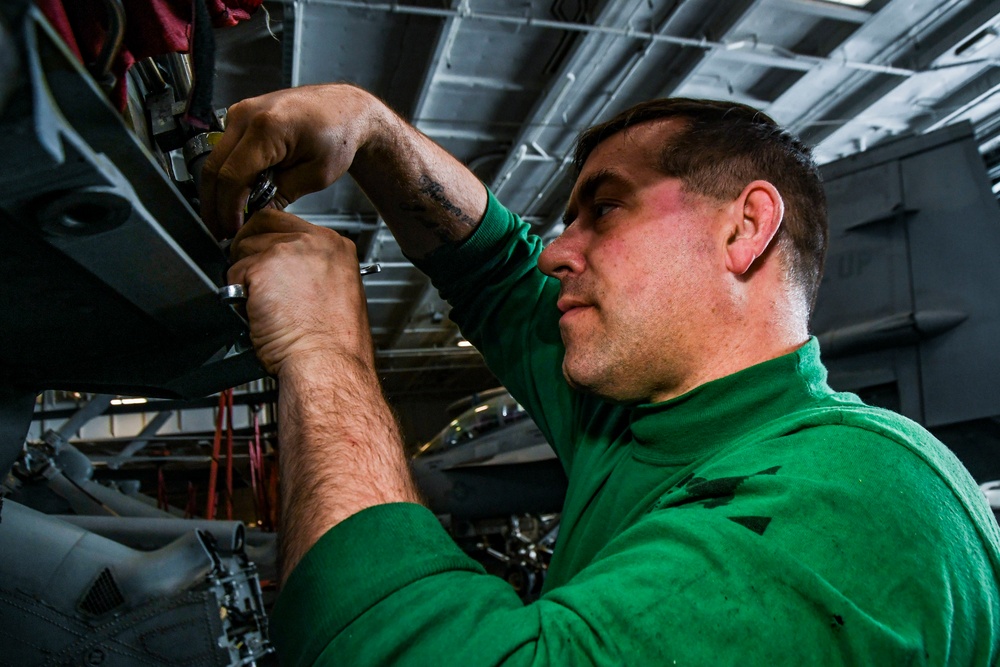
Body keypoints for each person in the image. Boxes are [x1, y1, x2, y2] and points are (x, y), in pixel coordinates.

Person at [201, 84, 1000, 665]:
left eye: (605, 208)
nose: (556, 249)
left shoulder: (866, 500)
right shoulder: (638, 413)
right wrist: (371, 130)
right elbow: (495, 269)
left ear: (745, 227)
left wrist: (324, 348)